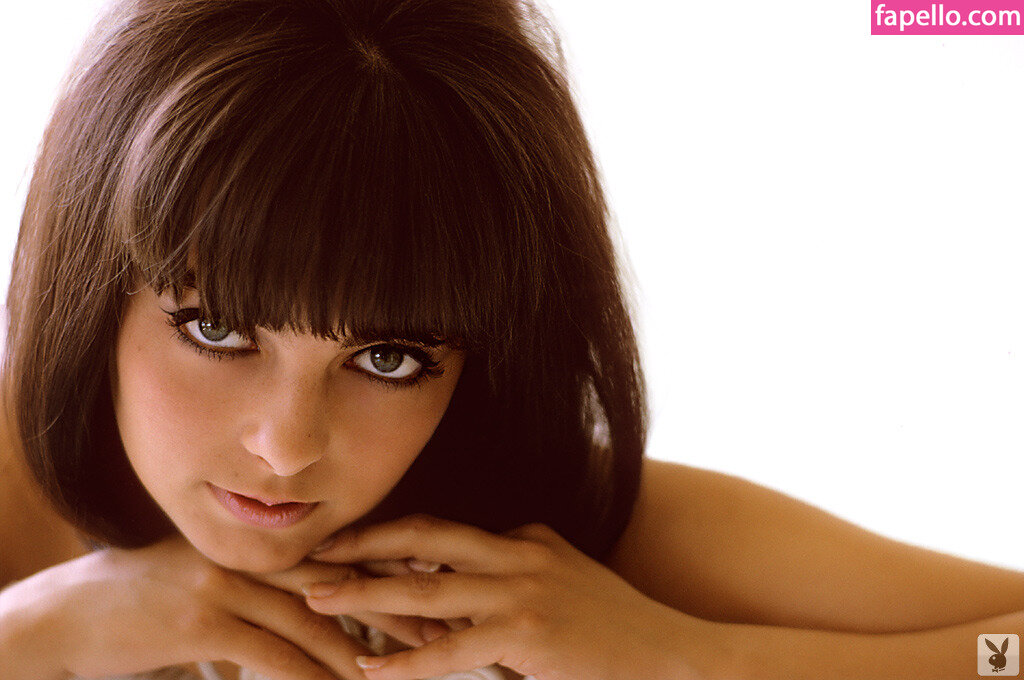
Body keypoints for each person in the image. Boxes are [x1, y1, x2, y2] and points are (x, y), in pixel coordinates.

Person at [1, 1, 1023, 679]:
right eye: (216, 328)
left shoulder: (570, 532)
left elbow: (1004, 653)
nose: (285, 445)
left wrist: (689, 660)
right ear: (91, 290)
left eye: (389, 358)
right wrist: (37, 631)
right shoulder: (15, 498)